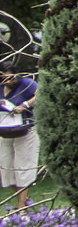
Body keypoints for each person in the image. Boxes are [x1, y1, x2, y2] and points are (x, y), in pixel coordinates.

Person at [0, 70, 36, 212]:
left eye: (12, 76)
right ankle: (25, 201)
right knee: (6, 170)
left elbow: (41, 93)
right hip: (4, 131)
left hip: (25, 131)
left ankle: (21, 207)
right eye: (6, 77)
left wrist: (25, 105)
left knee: (23, 167)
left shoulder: (26, 83)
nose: (10, 80)